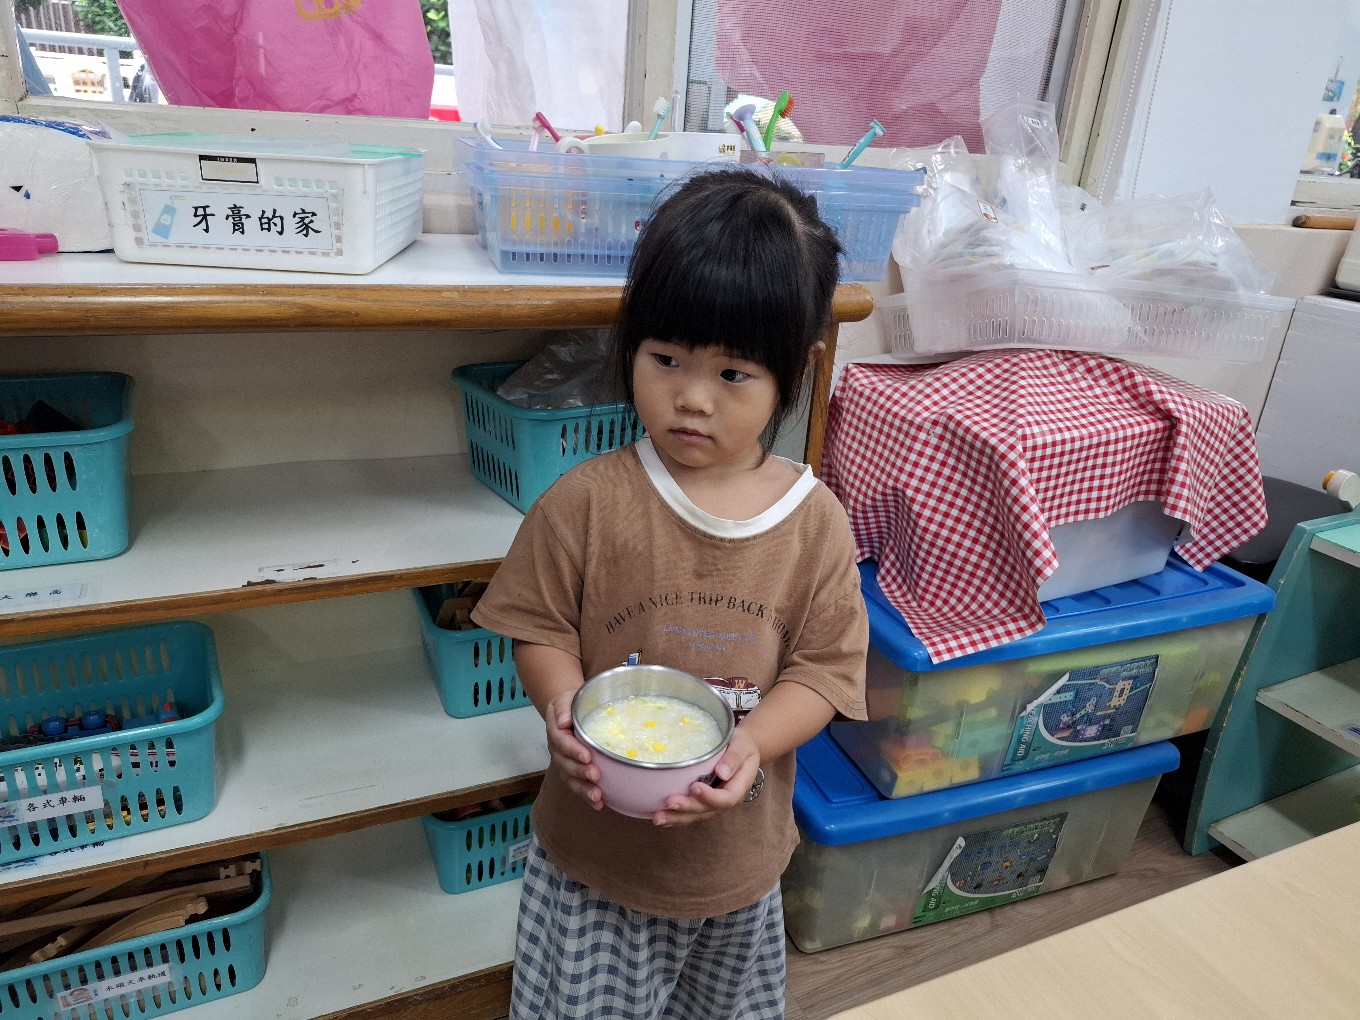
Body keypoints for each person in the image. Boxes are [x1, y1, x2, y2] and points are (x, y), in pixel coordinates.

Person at [471, 165, 869, 1020]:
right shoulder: (586, 501)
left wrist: (751, 743)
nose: (691, 398)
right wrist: (561, 701)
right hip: (594, 865)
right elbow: (540, 628)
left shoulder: (815, 524)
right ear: (630, 344)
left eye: (734, 374)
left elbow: (824, 673)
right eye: (666, 359)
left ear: (798, 369)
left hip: (738, 865)